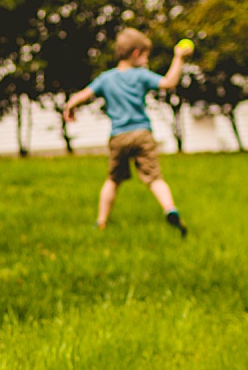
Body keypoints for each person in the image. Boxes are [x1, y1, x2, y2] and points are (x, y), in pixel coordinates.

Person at [63, 27, 193, 234]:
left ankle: (101, 221)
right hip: (142, 134)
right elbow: (169, 82)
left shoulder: (106, 78)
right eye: (145, 55)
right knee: (155, 178)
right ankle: (170, 208)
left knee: (113, 180)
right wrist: (178, 58)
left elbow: (83, 95)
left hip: (118, 136)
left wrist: (70, 106)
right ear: (135, 53)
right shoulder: (141, 75)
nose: (146, 61)